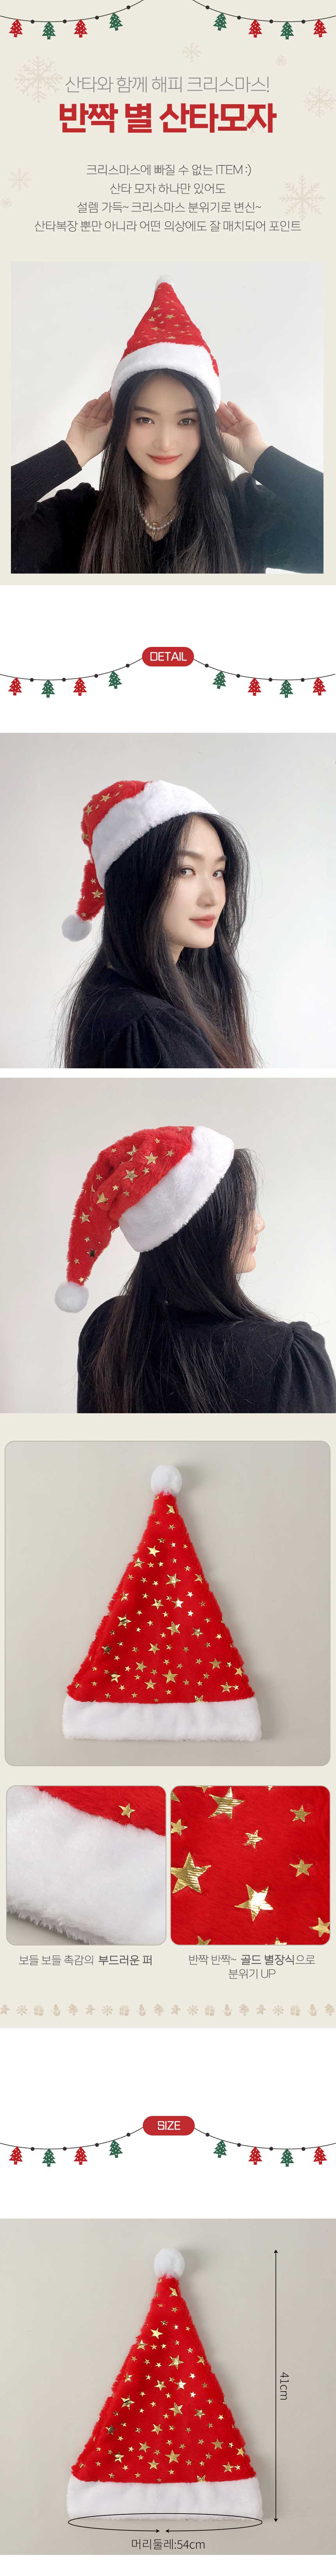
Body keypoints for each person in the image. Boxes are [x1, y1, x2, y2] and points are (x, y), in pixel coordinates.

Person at [12, 278, 323, 577]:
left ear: (208, 426)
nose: (165, 442)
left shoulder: (245, 512)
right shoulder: (77, 518)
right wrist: (70, 454)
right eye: (144, 420)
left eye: (186, 421)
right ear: (121, 424)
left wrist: (260, 457)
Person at [54, 1121, 336, 1417]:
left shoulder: (108, 1330)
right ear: (202, 1229)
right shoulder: (286, 1358)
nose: (259, 1224)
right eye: (244, 1209)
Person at [60, 773, 257, 1070]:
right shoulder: (149, 1026)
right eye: (185, 871)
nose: (213, 898)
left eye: (218, 873)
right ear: (133, 882)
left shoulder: (114, 993)